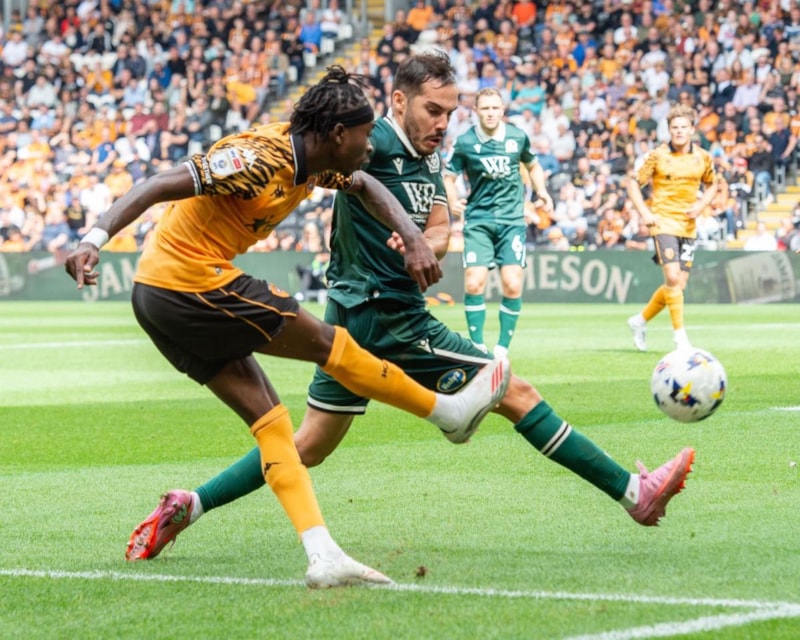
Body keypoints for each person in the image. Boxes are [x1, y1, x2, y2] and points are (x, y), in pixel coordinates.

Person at [121, 53, 695, 566]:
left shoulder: (428, 159)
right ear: (399, 102)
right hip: (385, 313)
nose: (443, 123)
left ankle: (190, 504)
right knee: (515, 392)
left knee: (309, 443)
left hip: (358, 312)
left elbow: (441, 227)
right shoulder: (365, 141)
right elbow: (342, 171)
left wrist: (423, 241)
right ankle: (633, 494)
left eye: (450, 112)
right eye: (432, 110)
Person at [63, 66, 510, 588]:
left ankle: (323, 556)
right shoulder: (258, 159)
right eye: (364, 135)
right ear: (338, 134)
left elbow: (366, 184)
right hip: (185, 283)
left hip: (164, 297)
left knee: (273, 425)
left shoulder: (318, 164)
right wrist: (93, 239)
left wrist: (412, 236)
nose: (370, 147)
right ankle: (447, 412)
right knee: (329, 343)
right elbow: (159, 184)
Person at [443, 87, 554, 358]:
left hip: (512, 220)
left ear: (502, 110)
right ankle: (478, 347)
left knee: (513, 284)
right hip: (478, 220)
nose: (491, 113)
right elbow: (448, 176)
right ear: (476, 111)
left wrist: (542, 190)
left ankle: (502, 348)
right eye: (485, 108)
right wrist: (452, 200)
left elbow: (533, 165)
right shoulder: (465, 142)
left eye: (495, 108)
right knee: (474, 283)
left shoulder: (517, 137)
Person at [626, 104, 718, 352]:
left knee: (678, 285)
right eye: (674, 127)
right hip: (663, 222)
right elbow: (633, 183)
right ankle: (680, 337)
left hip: (688, 226)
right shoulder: (657, 155)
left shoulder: (703, 157)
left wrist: (701, 206)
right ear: (669, 130)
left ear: (692, 129)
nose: (679, 131)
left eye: (683, 127)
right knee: (673, 278)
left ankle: (640, 320)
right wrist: (645, 213)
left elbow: (713, 184)